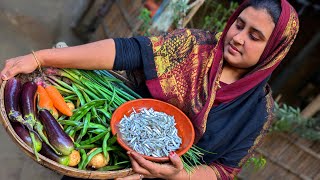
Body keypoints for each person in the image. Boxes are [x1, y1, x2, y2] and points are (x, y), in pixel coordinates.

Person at [0, 0, 299, 179]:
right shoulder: (193, 48)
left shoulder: (257, 110)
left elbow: (223, 170)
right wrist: (40, 57)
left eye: (255, 35)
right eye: (239, 25)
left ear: (274, 49)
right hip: (103, 163)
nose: (238, 37)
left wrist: (176, 174)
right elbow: (127, 51)